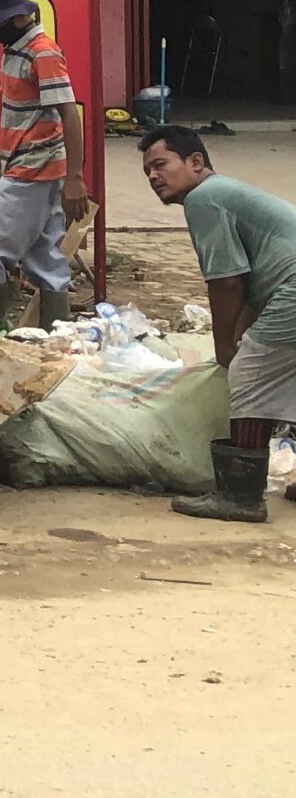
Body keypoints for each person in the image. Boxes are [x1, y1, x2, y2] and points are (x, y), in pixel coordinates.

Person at [139, 126, 296, 522]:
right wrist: (240, 333)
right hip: (285, 289)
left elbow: (226, 282)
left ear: (195, 162)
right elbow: (256, 284)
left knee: (250, 372)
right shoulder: (227, 193)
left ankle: (240, 496)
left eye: (160, 165)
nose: (154, 177)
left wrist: (226, 345)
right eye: (148, 172)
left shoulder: (205, 198)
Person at [0, 0, 91, 331]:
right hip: (27, 165)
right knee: (45, 256)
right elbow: (16, 113)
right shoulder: (16, 48)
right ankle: (56, 334)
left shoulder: (41, 52)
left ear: (16, 18)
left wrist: (75, 177)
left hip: (34, 168)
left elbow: (68, 112)